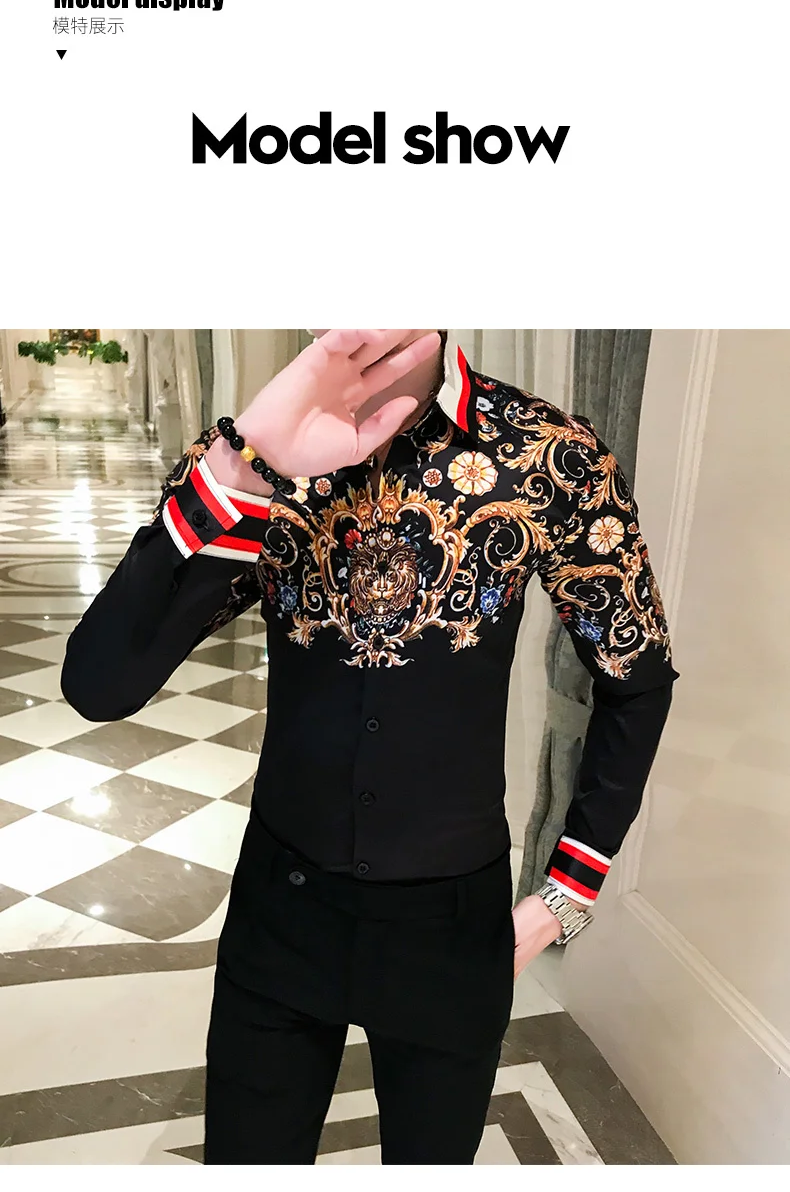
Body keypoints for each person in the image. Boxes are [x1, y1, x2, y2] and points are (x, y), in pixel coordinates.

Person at [61, 329, 678, 1164]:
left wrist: (567, 890)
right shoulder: (256, 454)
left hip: (448, 928)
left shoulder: (547, 454)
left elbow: (637, 675)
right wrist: (240, 469)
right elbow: (100, 683)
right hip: (282, 913)